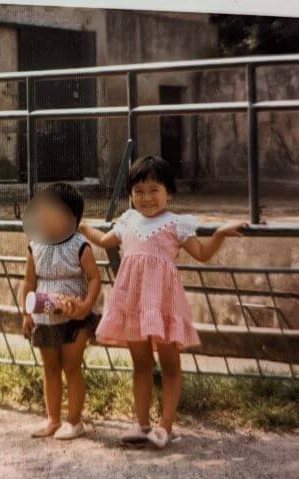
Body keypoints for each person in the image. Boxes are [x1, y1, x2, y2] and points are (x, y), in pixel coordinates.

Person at [79, 156, 247, 448]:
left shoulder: (176, 223)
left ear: (169, 192)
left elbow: (203, 254)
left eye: (154, 190)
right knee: (140, 363)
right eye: (139, 192)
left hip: (163, 303)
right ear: (131, 195)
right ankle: (141, 424)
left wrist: (219, 234)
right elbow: (106, 240)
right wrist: (83, 228)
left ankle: (165, 427)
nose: (146, 198)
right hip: (132, 302)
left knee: (170, 364)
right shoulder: (128, 219)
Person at [21, 183, 102, 440]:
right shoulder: (36, 246)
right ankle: (53, 420)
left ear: (72, 218)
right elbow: (28, 282)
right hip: (44, 317)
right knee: (50, 368)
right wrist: (26, 314)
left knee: (72, 366)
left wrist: (86, 306)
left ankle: (75, 421)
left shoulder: (80, 245)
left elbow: (94, 278)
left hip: (74, 318)